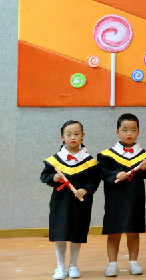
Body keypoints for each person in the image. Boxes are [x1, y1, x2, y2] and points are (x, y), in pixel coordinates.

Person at [40, 120, 101, 280]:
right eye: (69, 134)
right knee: (60, 234)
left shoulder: (89, 161)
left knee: (76, 233)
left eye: (76, 134)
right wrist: (54, 177)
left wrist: (86, 189)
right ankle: (60, 267)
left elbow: (94, 180)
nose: (73, 137)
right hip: (61, 202)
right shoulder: (55, 160)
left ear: (82, 136)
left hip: (80, 203)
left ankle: (73, 265)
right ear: (62, 137)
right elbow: (45, 176)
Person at [98, 113, 146, 276]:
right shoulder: (107, 155)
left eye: (133, 130)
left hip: (135, 199)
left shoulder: (144, 155)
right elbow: (102, 172)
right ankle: (112, 264)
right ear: (117, 132)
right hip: (115, 199)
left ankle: (133, 262)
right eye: (124, 130)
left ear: (138, 132)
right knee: (113, 232)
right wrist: (115, 174)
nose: (129, 133)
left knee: (133, 231)